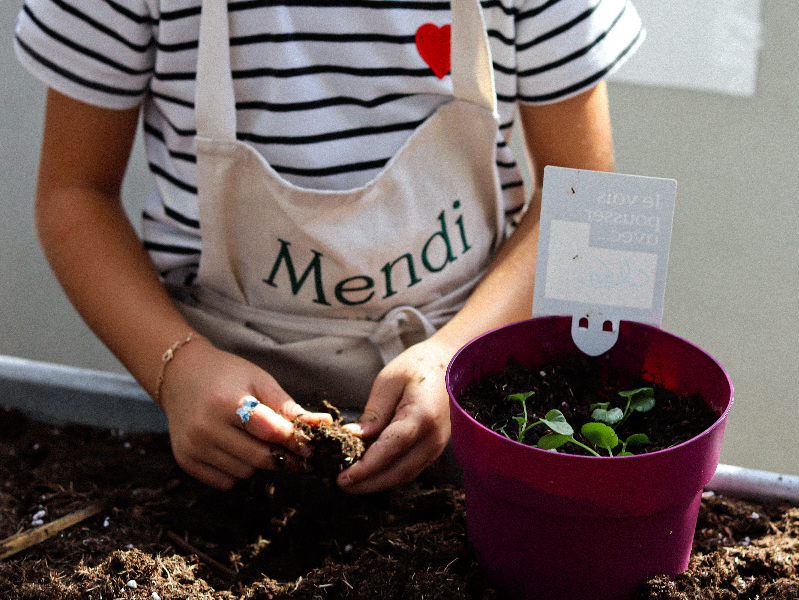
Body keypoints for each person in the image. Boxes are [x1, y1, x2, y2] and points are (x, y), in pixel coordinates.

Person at [14, 0, 644, 493]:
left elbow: (583, 200)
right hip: (215, 412)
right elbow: (76, 194)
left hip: (473, 389)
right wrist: (177, 366)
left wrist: (450, 358)